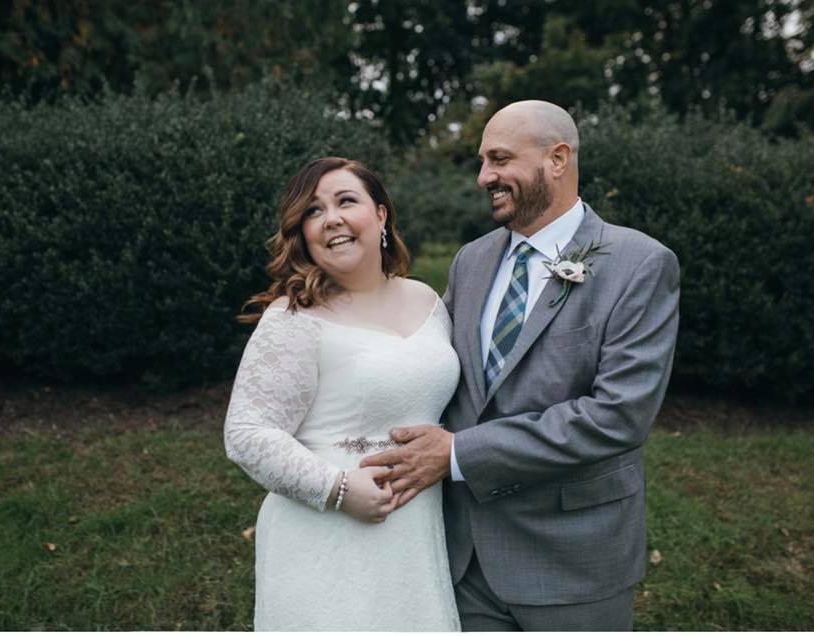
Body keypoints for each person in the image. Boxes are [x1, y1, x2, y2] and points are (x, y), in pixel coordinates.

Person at [360, 100, 680, 630]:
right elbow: (432, 369)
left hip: (573, 560)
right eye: (483, 161)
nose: (486, 176)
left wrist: (458, 453)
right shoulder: (472, 259)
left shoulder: (639, 264)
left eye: (500, 159)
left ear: (557, 159)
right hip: (464, 558)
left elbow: (618, 417)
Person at [223, 157, 461, 631]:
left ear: (381, 215)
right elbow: (246, 433)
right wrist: (338, 489)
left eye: (345, 201)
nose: (330, 218)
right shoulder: (294, 318)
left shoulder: (429, 302)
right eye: (313, 211)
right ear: (302, 233)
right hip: (324, 536)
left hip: (414, 538)